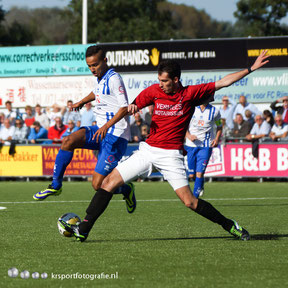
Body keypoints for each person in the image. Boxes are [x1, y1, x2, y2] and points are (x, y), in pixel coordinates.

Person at [59, 50, 270, 242]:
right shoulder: (153, 91)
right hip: (148, 150)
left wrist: (251, 69)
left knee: (190, 202)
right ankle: (84, 229)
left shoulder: (190, 94)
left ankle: (230, 225)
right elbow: (131, 106)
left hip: (171, 156)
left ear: (176, 80)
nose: (160, 84)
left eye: (165, 81)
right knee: (108, 183)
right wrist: (132, 107)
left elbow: (224, 82)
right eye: (159, 80)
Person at [33, 45, 135, 214]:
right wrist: (80, 102)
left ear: (105, 61)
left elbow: (125, 107)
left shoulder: (114, 78)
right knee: (68, 140)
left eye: (95, 64)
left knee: (98, 185)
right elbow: (96, 93)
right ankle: (56, 185)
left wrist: (106, 126)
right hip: (99, 131)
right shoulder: (100, 78)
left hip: (115, 135)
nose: (92, 69)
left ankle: (126, 190)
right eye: (89, 66)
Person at [185, 103, 222, 198]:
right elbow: (183, 125)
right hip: (191, 145)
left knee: (200, 173)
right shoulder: (190, 108)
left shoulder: (215, 111)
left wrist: (217, 139)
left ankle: (194, 198)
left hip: (206, 146)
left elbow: (219, 126)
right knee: (192, 175)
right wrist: (189, 136)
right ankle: (200, 185)